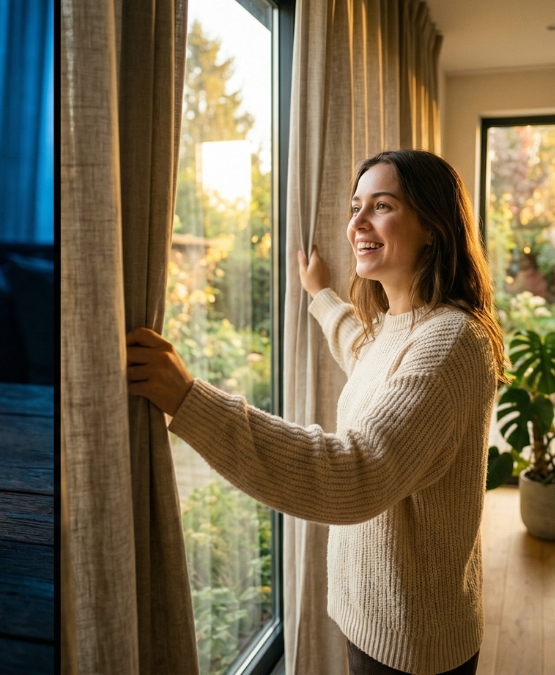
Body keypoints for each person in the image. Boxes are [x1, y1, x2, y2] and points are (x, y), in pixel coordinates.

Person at [126, 149, 507, 675]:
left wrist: (190, 401)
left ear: (433, 228)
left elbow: (358, 471)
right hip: (370, 616)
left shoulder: (451, 341)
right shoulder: (399, 330)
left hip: (414, 638)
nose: (358, 223)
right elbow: (362, 351)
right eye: (356, 207)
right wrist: (321, 294)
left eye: (382, 205)